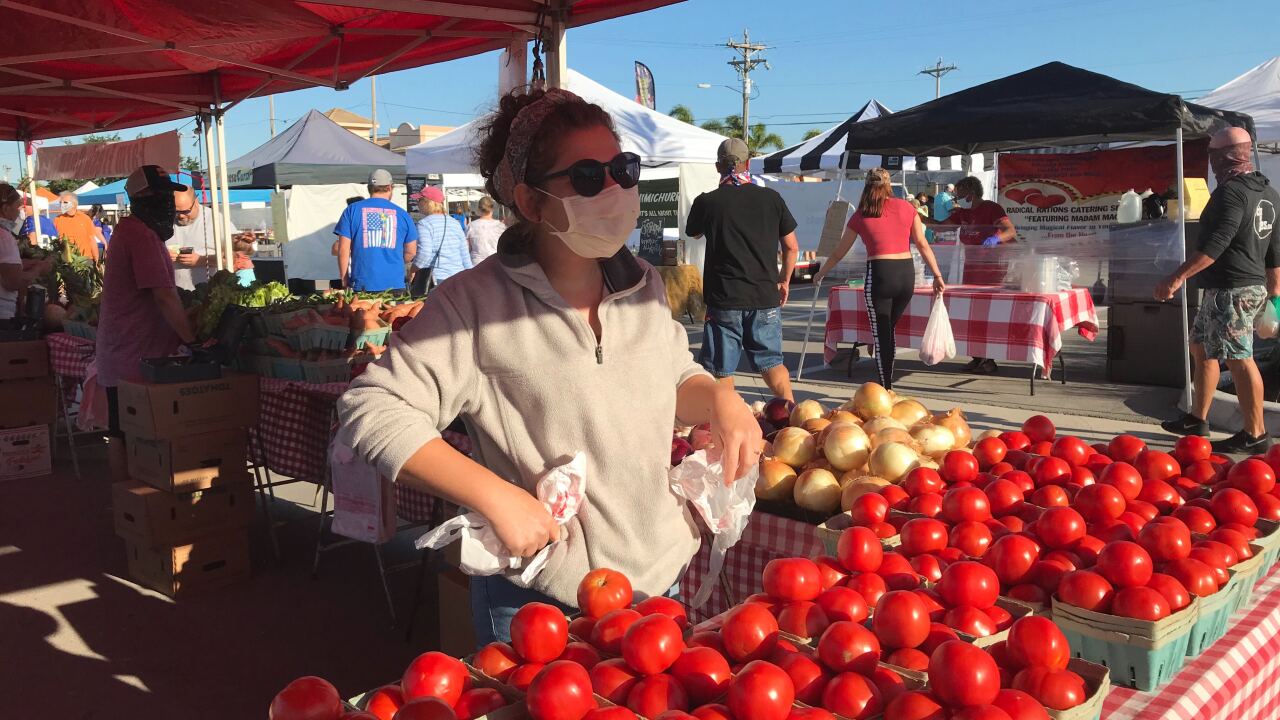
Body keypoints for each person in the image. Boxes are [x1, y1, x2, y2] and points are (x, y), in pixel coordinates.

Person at [336, 87, 760, 645]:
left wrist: (720, 398)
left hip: (664, 580)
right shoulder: (473, 306)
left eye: (623, 169)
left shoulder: (644, 284)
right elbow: (373, 407)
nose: (614, 189)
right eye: (587, 177)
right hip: (543, 601)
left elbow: (675, 375)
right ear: (531, 202)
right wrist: (493, 496)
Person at [1156, 126, 1280, 454]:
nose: (1211, 163)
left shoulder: (1232, 193)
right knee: (1201, 346)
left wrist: (1176, 277)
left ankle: (1255, 433)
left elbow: (1216, 245)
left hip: (1232, 289)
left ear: (1226, 157)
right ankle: (1198, 418)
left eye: (1214, 156)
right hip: (1237, 287)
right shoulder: (1267, 192)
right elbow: (1274, 249)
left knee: (1240, 358)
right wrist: (1275, 292)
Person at [96, 166, 198, 474]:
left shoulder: (132, 230)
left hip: (127, 352)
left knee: (122, 433)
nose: (168, 200)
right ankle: (132, 503)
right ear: (142, 198)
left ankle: (131, 505)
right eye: (162, 193)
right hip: (134, 357)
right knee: (127, 434)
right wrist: (193, 342)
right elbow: (164, 296)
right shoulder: (141, 235)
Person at [686, 137, 800, 401]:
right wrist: (784, 281)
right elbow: (792, 247)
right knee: (772, 363)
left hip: (724, 298)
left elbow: (693, 234)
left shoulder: (707, 202)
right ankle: (792, 415)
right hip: (764, 296)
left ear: (717, 167)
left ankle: (728, 424)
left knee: (721, 369)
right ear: (748, 163)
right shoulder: (772, 199)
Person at [814, 168, 946, 390]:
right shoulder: (907, 207)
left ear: (866, 186)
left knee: (883, 333)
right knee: (887, 330)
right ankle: (883, 366)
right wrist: (937, 274)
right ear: (888, 185)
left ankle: (886, 388)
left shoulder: (862, 214)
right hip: (906, 274)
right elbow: (922, 244)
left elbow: (839, 252)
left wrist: (821, 272)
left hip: (880, 273)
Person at [926, 175, 1017, 374]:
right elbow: (942, 226)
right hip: (971, 267)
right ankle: (977, 356)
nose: (956, 199)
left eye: (960, 194)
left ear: (971, 192)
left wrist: (996, 237)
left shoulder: (991, 208)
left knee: (987, 313)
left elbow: (1010, 231)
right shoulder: (963, 214)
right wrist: (918, 217)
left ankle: (989, 359)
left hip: (991, 268)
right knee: (971, 312)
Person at [335, 169, 417, 292]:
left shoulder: (351, 211)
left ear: (369, 188)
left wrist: (344, 278)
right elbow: (411, 251)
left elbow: (343, 249)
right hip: (394, 284)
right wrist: (394, 261)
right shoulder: (403, 214)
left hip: (363, 283)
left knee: (363, 312)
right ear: (390, 187)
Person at [0, 184, 53, 323]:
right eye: (18, 207)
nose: (20, 212)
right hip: (3, 316)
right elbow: (13, 281)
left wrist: (28, 263)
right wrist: (38, 269)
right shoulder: (4, 237)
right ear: (5, 209)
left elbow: (4, 267)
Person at [168, 187, 236, 291]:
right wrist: (163, 256)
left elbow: (234, 256)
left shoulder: (216, 220)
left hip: (210, 294)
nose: (181, 216)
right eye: (176, 211)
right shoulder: (166, 221)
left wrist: (201, 260)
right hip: (175, 294)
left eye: (186, 211)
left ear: (196, 201)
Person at [410, 186, 471, 295]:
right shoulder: (455, 223)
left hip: (437, 279)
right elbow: (465, 255)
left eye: (419, 200)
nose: (417, 203)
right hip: (457, 278)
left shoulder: (424, 224)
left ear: (427, 203)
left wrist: (412, 270)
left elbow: (424, 254)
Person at [52, 193, 103, 262]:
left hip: (85, 259)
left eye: (65, 202)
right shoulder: (57, 220)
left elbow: (91, 239)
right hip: (66, 261)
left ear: (74, 204)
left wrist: (96, 258)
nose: (62, 204)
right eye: (60, 202)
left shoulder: (85, 218)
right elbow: (54, 241)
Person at [466, 195, 505, 264]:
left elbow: (467, 249)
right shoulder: (501, 226)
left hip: (477, 264)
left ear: (478, 209)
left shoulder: (471, 226)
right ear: (492, 209)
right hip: (496, 263)